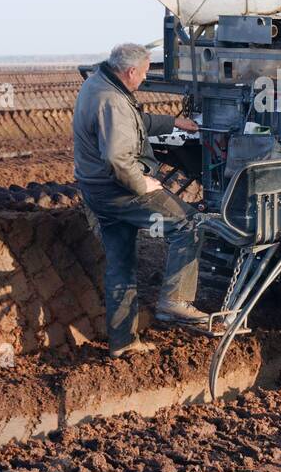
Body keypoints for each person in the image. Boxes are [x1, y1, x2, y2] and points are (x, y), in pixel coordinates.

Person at [73, 43, 210, 357]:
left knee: (120, 266)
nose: (145, 79)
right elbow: (118, 159)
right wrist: (143, 184)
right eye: (145, 74)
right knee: (188, 225)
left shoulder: (99, 84)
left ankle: (123, 343)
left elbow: (134, 123)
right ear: (130, 71)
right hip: (120, 192)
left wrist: (173, 122)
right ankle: (175, 300)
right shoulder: (112, 101)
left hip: (97, 192)